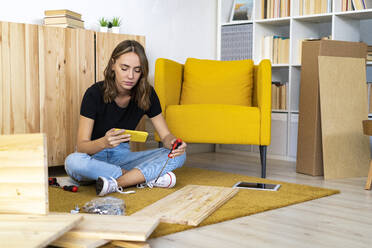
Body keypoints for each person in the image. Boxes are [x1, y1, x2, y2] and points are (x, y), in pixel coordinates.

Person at [64, 40, 187, 196]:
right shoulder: (94, 93)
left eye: (137, 70)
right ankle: (140, 177)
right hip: (93, 157)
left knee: (180, 155)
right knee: (73, 162)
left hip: (122, 156)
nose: (130, 76)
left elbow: (166, 136)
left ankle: (117, 183)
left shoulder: (147, 93)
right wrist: (103, 142)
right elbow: (82, 146)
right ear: (113, 65)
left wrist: (174, 143)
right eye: (124, 68)